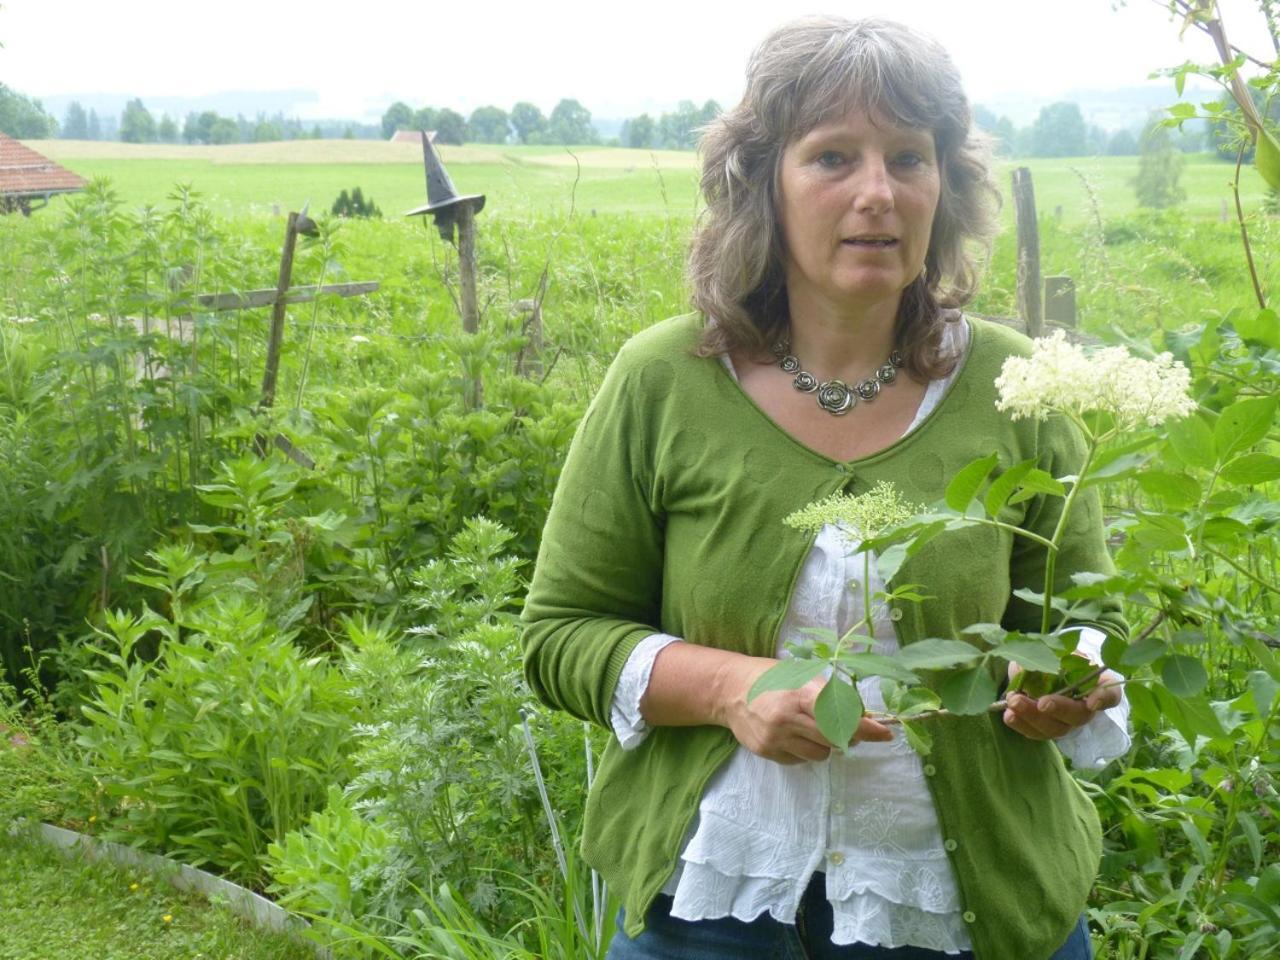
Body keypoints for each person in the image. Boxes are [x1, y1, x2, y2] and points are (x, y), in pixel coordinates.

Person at [522, 16, 1129, 960]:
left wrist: (1061, 678)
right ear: (763, 183)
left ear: (947, 186)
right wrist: (731, 690)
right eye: (834, 157)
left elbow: (1091, 617)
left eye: (910, 158)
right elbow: (561, 635)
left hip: (969, 914)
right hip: (712, 912)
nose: (878, 193)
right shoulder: (664, 380)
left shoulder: (1022, 389)